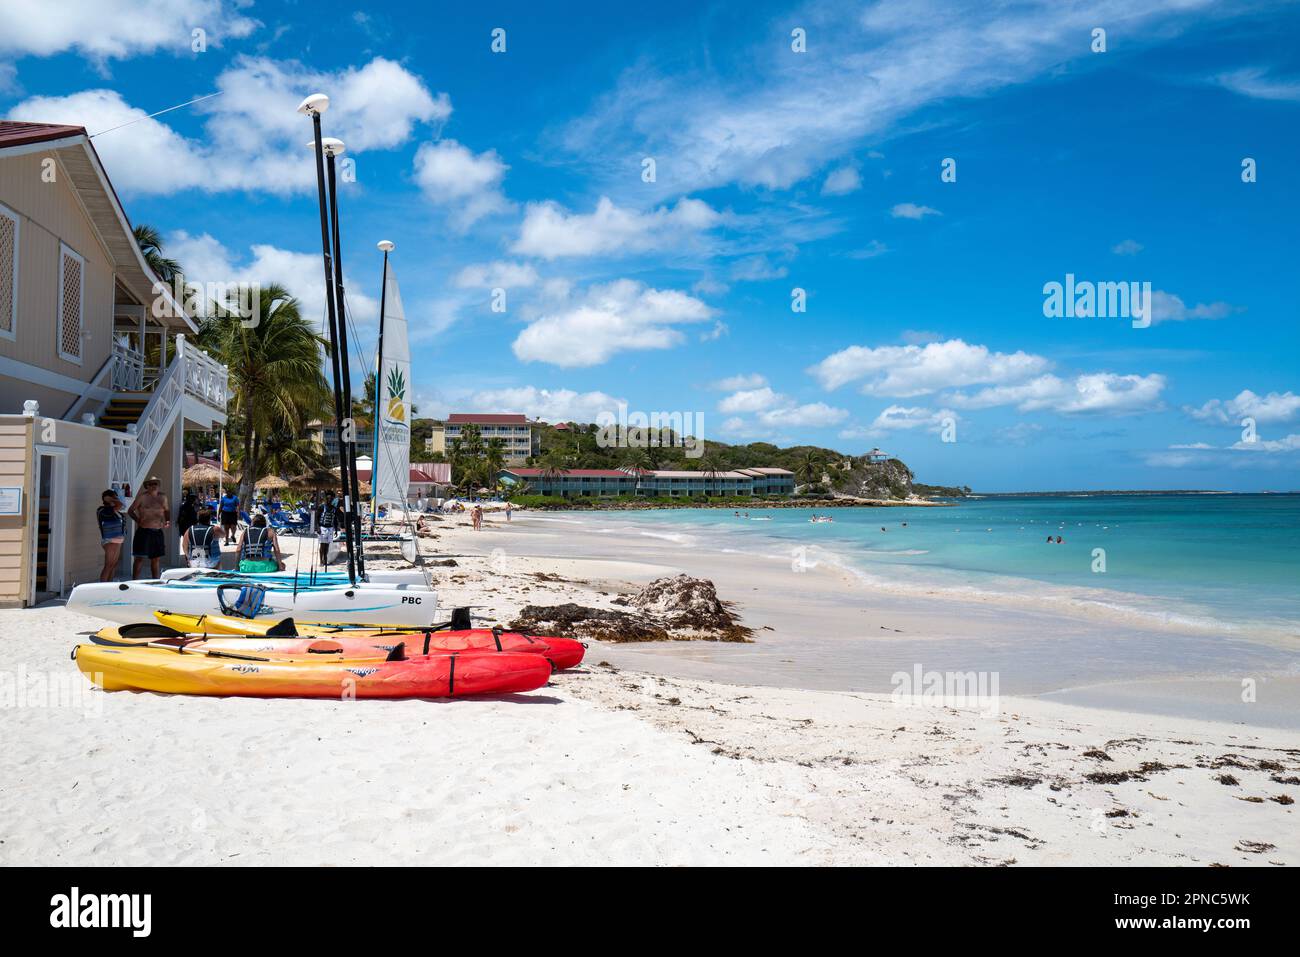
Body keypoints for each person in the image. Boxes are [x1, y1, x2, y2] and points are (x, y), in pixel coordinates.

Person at [127, 476, 170, 579]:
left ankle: (155, 581)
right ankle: (134, 581)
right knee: (139, 558)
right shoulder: (142, 497)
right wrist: (138, 520)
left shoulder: (163, 497)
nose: (153, 486)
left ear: (158, 485)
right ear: (147, 486)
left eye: (155, 483)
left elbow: (166, 510)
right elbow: (130, 510)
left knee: (155, 559)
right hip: (144, 531)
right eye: (151, 484)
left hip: (157, 531)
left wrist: (167, 521)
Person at [96, 489, 125, 582]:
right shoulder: (103, 510)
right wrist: (112, 500)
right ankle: (102, 588)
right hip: (109, 540)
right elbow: (120, 505)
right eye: (113, 497)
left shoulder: (116, 511)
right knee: (108, 565)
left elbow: (120, 507)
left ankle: (109, 586)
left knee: (113, 565)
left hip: (118, 540)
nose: (116, 499)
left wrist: (113, 499)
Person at [318, 491, 342, 567]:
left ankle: (325, 559)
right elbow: (317, 517)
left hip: (330, 528)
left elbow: (335, 519)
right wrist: (318, 527)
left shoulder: (334, 509)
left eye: (331, 499)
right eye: (328, 498)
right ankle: (321, 561)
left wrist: (335, 529)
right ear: (326, 499)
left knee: (327, 545)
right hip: (323, 527)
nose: (329, 500)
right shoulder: (322, 507)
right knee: (322, 545)